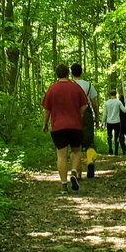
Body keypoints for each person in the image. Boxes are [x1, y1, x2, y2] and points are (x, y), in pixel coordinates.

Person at [42, 63, 88, 193]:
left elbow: (47, 110)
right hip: (75, 126)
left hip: (58, 127)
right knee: (76, 151)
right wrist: (79, 115)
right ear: (68, 73)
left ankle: (63, 185)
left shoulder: (52, 89)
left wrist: (45, 124)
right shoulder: (76, 88)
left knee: (61, 156)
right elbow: (85, 105)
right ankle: (73, 172)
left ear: (56, 74)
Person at [71, 62, 99, 178]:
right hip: (87, 114)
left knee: (75, 145)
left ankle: (77, 172)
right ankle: (90, 161)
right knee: (89, 141)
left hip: (73, 114)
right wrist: (97, 117)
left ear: (71, 73)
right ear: (81, 72)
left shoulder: (70, 85)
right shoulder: (89, 85)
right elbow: (94, 103)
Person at [102, 90, 126, 155]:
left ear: (110, 94)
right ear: (116, 94)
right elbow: (124, 111)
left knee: (109, 136)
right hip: (117, 122)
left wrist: (103, 122)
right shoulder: (118, 102)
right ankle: (116, 151)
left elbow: (105, 114)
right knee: (117, 137)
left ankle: (110, 149)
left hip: (109, 122)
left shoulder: (106, 103)